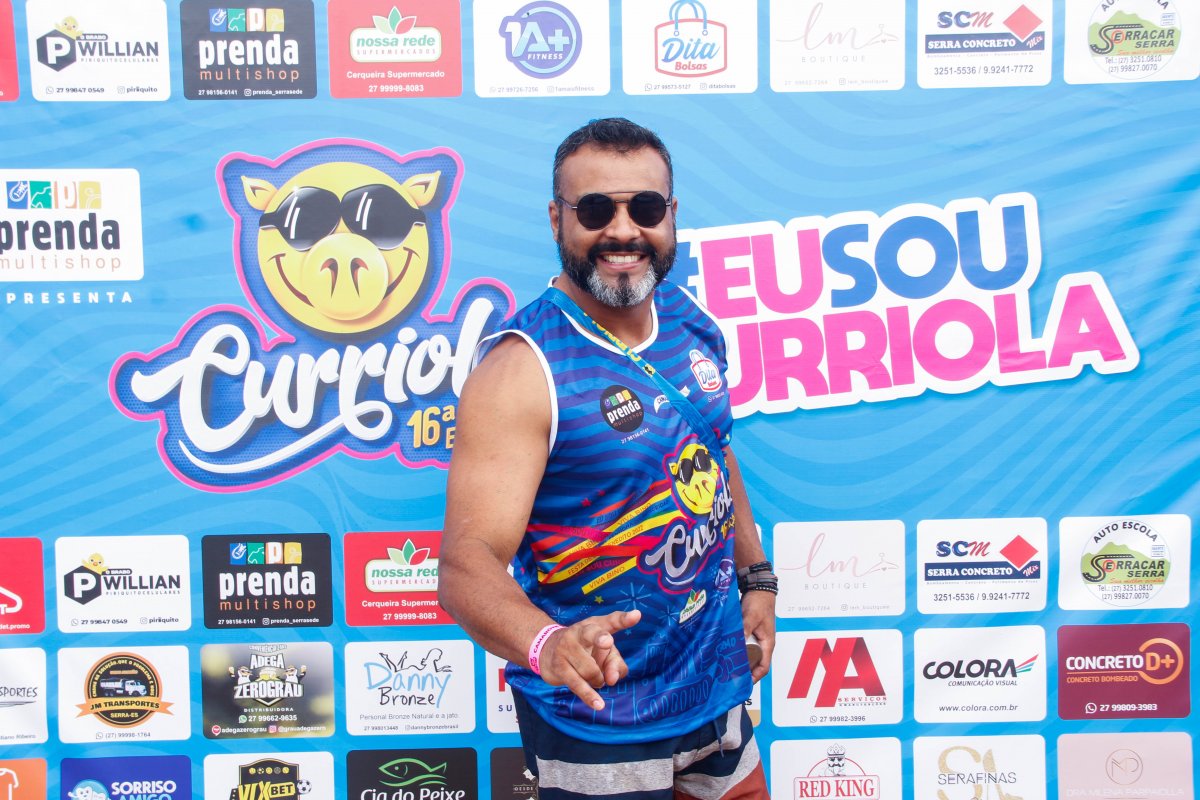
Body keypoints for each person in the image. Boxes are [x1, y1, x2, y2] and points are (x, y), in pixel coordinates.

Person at [439, 118, 776, 799]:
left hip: (715, 690)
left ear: (671, 214)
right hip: (601, 720)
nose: (623, 231)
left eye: (644, 208)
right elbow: (464, 566)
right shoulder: (522, 369)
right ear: (557, 219)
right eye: (596, 210)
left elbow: (714, 450)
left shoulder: (690, 321)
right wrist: (546, 643)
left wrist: (758, 577)